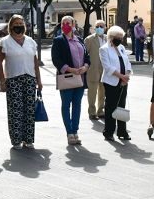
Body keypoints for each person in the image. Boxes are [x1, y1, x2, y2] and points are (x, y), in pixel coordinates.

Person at [0, 14, 43, 149]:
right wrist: (2, 81)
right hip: (13, 79)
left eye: (21, 23)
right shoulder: (5, 42)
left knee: (29, 110)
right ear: (11, 26)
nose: (18, 26)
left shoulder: (31, 42)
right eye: (15, 24)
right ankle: (16, 140)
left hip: (29, 78)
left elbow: (35, 63)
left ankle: (28, 139)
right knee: (15, 110)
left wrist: (39, 81)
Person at [51, 15, 90, 145]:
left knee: (77, 105)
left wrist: (85, 66)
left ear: (74, 25)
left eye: (68, 23)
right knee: (66, 105)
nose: (65, 25)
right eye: (63, 23)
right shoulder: (58, 41)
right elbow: (56, 59)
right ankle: (69, 133)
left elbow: (87, 57)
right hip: (67, 78)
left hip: (80, 78)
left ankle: (75, 131)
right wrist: (70, 69)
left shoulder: (80, 40)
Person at [99, 26, 132, 141]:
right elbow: (108, 67)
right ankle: (108, 132)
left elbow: (127, 63)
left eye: (121, 37)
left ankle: (122, 131)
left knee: (121, 106)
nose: (120, 40)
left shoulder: (121, 47)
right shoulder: (104, 49)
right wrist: (121, 76)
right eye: (118, 37)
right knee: (111, 107)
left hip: (123, 82)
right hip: (111, 82)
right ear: (111, 37)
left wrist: (127, 75)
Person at [84, 20, 106, 120]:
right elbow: (84, 55)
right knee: (92, 92)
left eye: (101, 26)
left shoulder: (107, 39)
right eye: (97, 26)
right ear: (94, 28)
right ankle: (92, 112)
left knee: (103, 92)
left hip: (105, 69)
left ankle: (100, 111)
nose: (99, 28)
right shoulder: (89, 39)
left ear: (105, 27)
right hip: (93, 69)